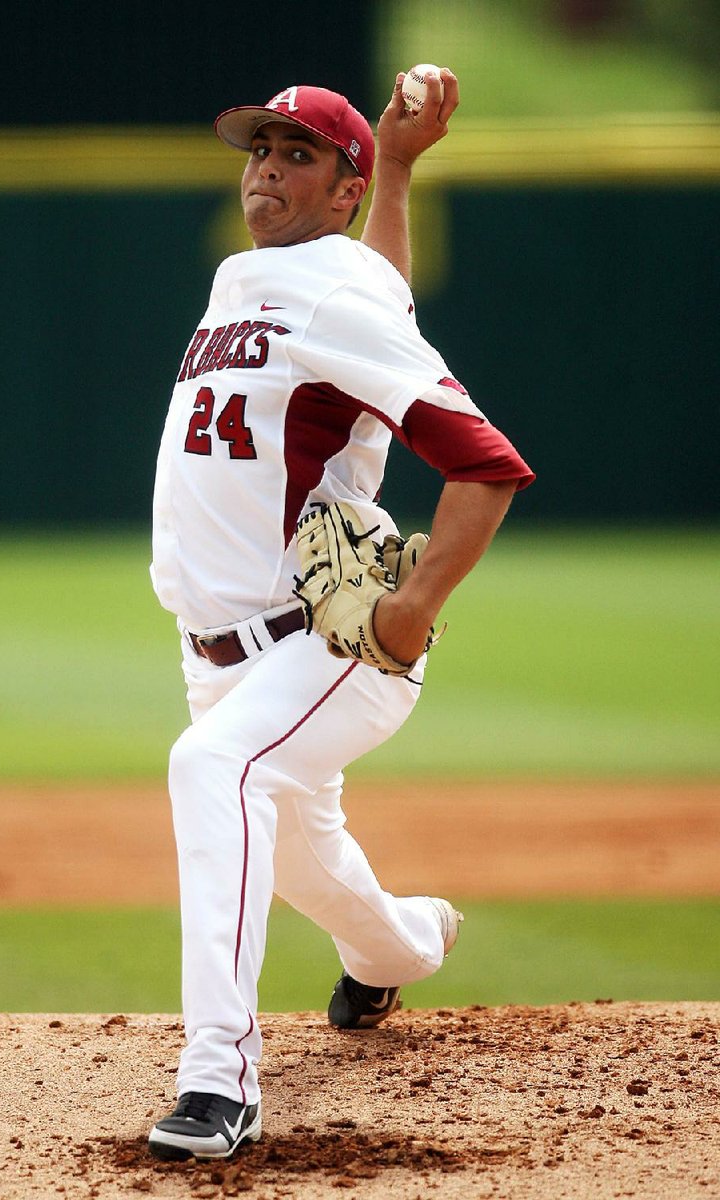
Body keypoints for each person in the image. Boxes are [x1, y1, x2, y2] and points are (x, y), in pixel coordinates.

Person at [147, 72, 534, 1163]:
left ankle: (218, 1081)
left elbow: (484, 465)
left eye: (296, 153)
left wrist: (413, 611)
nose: (264, 166)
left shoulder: (324, 288)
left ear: (340, 189)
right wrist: (401, 169)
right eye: (256, 147)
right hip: (222, 653)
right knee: (306, 860)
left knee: (212, 769)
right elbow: (375, 306)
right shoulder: (254, 277)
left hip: (321, 641)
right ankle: (403, 947)